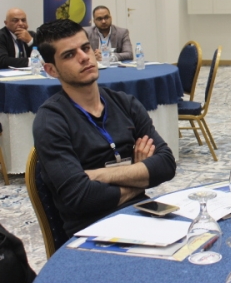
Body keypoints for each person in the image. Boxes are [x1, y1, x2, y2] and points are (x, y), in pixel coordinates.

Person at [32, 19, 176, 236]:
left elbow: (166, 165)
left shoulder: (125, 103)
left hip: (142, 211)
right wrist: (139, 176)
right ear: (51, 70)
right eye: (69, 55)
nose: (84, 57)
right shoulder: (50, 121)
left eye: (85, 48)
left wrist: (99, 174)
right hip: (91, 229)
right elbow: (80, 197)